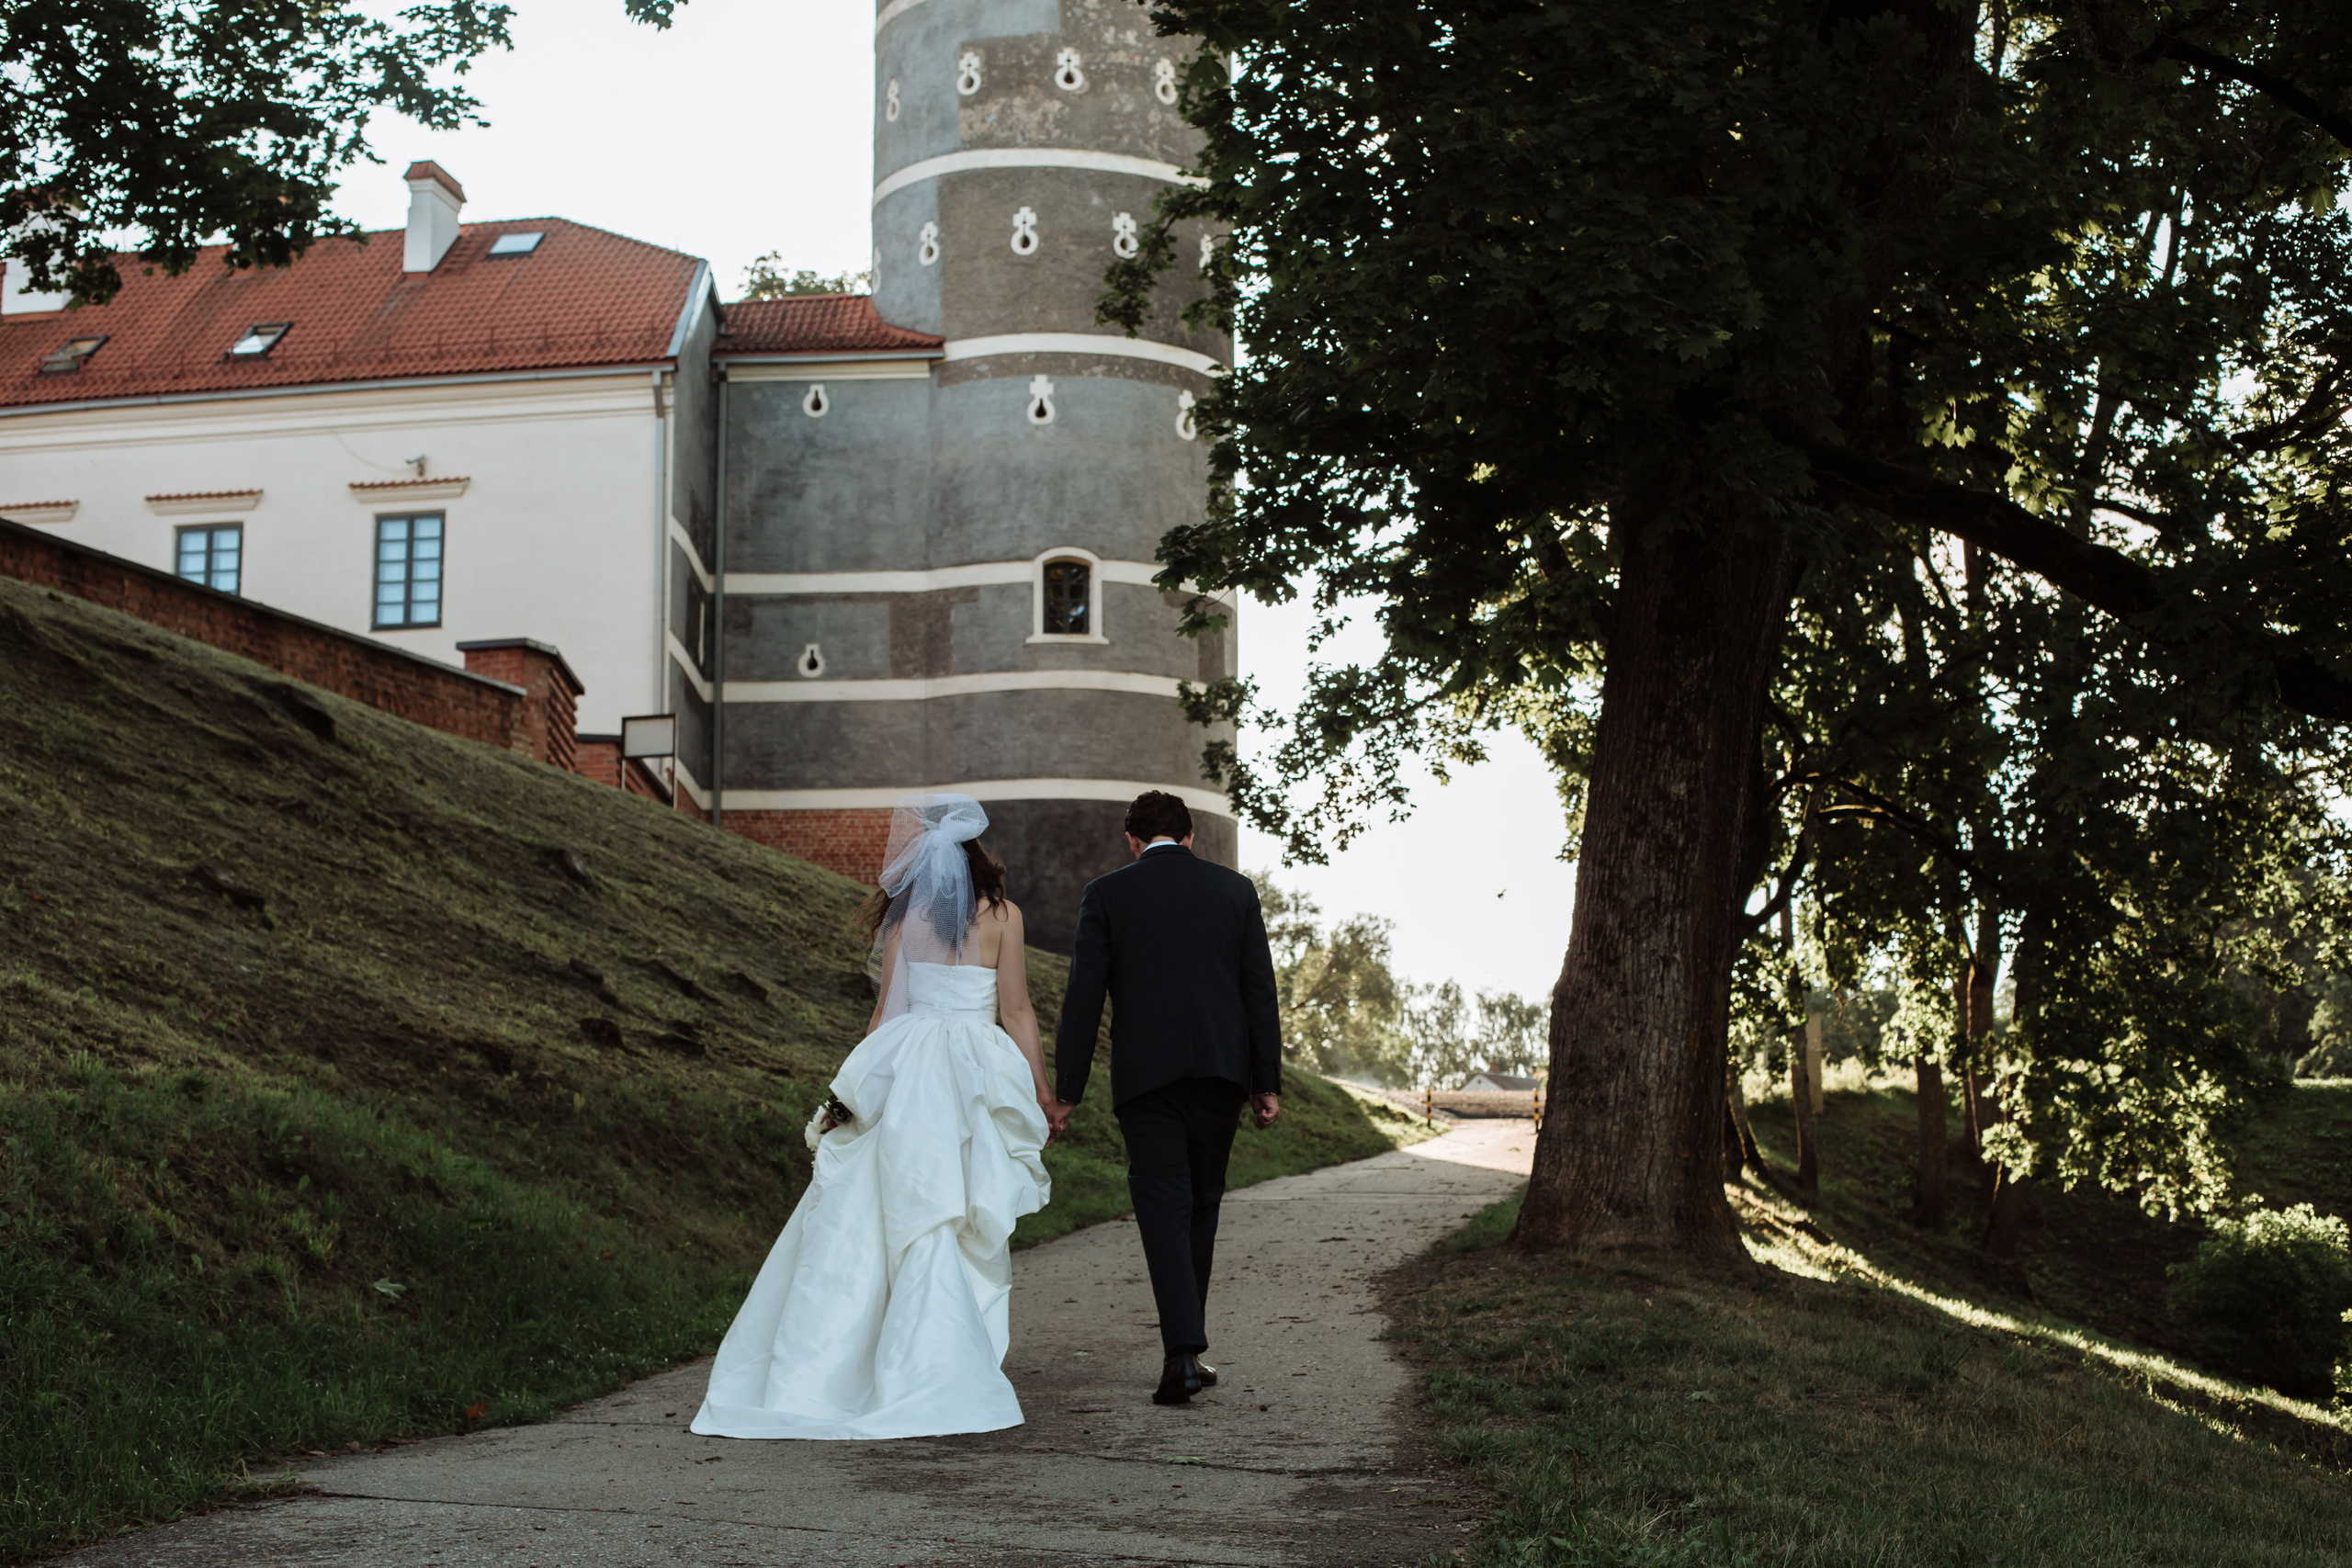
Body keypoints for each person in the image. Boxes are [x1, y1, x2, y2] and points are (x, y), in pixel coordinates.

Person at [691, 795, 1056, 1439]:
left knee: (886, 1209)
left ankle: (860, 1362)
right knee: (953, 1209)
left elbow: (886, 1015)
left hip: (909, 1066)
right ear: (976, 860)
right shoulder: (1004, 916)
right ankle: (938, 1361)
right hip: (973, 1073)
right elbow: (1017, 1010)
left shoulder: (905, 920)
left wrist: (848, 1096)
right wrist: (1041, 1092)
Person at [1046, 790, 1283, 1405]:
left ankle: (1182, 1354)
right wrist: (1265, 1082)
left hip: (1146, 1079)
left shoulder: (1106, 893)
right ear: (1190, 835)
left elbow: (1083, 997)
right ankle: (1188, 1352)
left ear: (1132, 840)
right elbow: (1259, 990)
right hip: (1220, 1074)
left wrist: (1067, 1090)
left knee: (1162, 1208)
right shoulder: (1235, 891)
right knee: (1201, 1203)